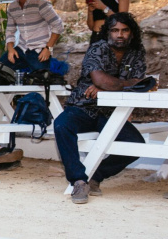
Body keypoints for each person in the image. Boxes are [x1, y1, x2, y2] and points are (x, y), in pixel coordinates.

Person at [53, 13, 147, 204]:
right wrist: (119, 84)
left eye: (124, 30)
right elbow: (100, 79)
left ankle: (95, 175)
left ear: (131, 32)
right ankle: (78, 181)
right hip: (83, 106)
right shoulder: (98, 48)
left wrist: (106, 86)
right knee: (62, 125)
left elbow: (141, 83)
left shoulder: (136, 52)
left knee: (136, 144)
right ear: (108, 32)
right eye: (115, 30)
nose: (119, 34)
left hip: (111, 112)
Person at [0, 0, 64, 72]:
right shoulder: (12, 7)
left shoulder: (41, 3)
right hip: (21, 49)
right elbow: (10, 31)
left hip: (39, 50)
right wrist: (10, 49)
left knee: (39, 78)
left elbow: (58, 25)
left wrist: (48, 49)